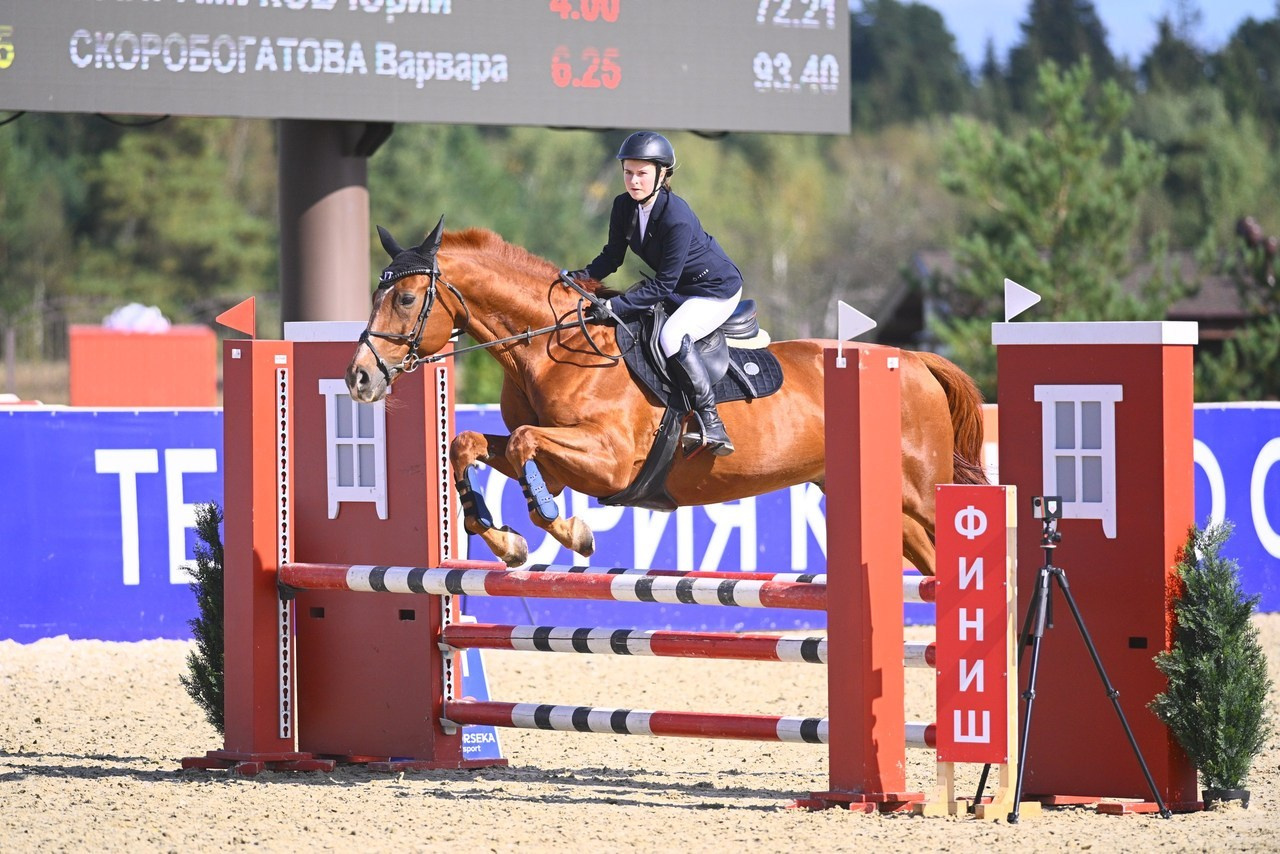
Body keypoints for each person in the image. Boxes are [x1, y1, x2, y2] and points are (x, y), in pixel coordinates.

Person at [565, 131, 743, 456]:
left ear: (662, 175)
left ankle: (712, 422)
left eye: (642, 174)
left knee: (671, 336)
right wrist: (578, 278)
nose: (633, 181)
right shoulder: (623, 207)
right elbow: (612, 256)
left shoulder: (676, 218)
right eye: (628, 172)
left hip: (712, 291)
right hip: (678, 290)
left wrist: (614, 304)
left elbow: (663, 285)